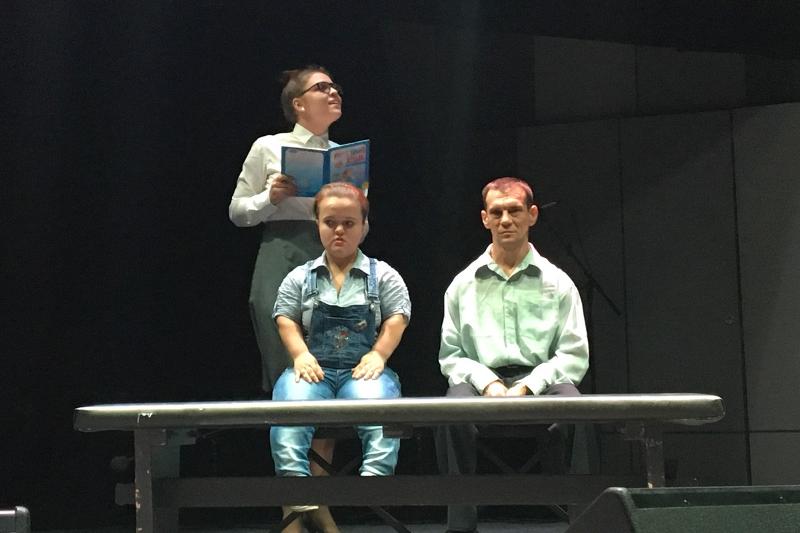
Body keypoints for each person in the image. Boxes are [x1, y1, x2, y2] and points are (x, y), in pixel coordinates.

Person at [435, 177, 589, 533]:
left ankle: (583, 521)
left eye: (514, 211)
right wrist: (488, 383)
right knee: (450, 409)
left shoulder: (559, 282)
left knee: (579, 408)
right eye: (496, 212)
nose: (505, 220)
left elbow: (573, 355)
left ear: (532, 215)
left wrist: (528, 386)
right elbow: (452, 356)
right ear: (485, 219)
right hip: (480, 383)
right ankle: (460, 525)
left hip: (542, 381)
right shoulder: (462, 284)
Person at [228, 65, 345, 530]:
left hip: (333, 258)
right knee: (289, 380)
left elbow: (363, 225)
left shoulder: (345, 157)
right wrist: (270, 198)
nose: (333, 92)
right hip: (282, 255)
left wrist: (356, 208)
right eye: (322, 87)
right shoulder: (269, 146)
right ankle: (294, 507)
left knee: (331, 376)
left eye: (334, 87)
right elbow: (238, 211)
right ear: (298, 104)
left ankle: (317, 500)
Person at [271, 182, 410, 532]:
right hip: (312, 370)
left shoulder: (384, 275)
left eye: (349, 223)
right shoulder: (300, 277)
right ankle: (297, 491)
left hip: (361, 370)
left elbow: (398, 317)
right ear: (317, 224)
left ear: (364, 226)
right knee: (289, 413)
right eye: (330, 222)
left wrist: (379, 354)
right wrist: (300, 354)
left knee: (380, 411)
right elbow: (285, 318)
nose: (339, 230)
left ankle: (371, 487)